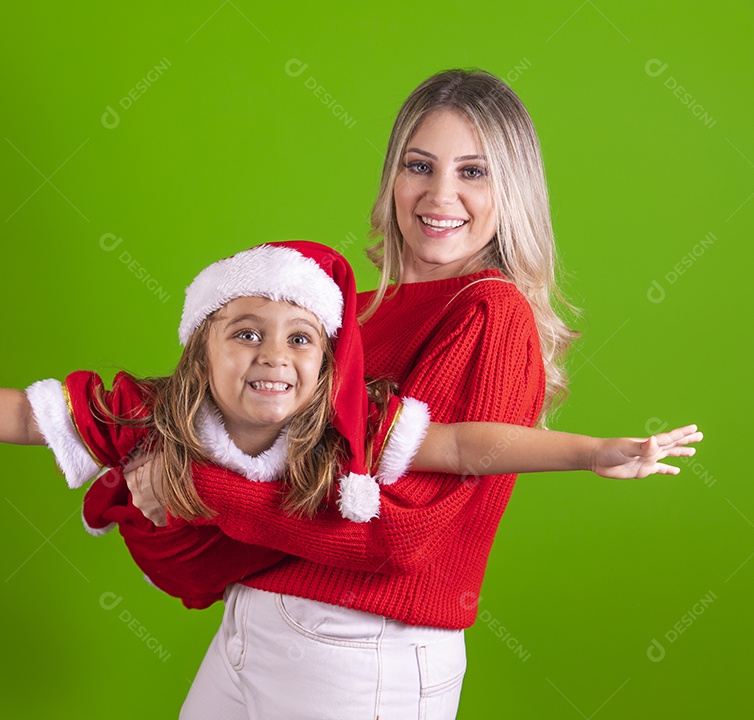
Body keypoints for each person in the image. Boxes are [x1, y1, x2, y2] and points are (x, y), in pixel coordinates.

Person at [120, 69, 651, 719]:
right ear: (393, 179)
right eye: (419, 165)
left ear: (512, 192)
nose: (440, 194)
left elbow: (393, 533)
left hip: (358, 652)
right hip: (252, 625)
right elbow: (240, 442)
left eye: (474, 173)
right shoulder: (342, 316)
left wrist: (197, 486)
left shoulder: (488, 311)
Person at [0, 241, 698, 620]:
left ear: (327, 362)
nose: (273, 357)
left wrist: (595, 452)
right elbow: (30, 413)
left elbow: (468, 444)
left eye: (300, 338)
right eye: (246, 333)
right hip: (232, 614)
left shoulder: (355, 425)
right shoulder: (163, 409)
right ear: (203, 350)